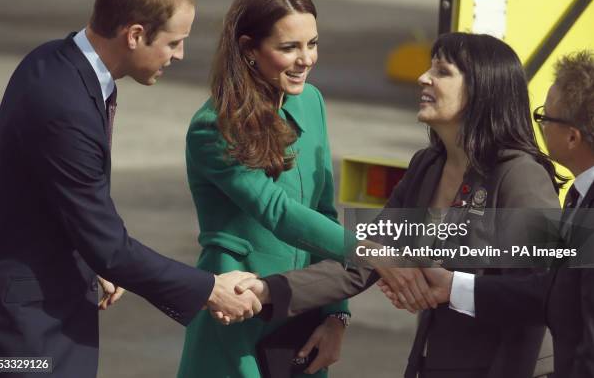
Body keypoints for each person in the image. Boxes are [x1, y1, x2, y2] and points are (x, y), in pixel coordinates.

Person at [0, 0, 260, 378]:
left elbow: (63, 200)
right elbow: (109, 246)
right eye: (174, 42)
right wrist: (210, 289)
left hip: (41, 307)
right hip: (29, 335)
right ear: (134, 35)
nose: (180, 54)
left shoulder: (50, 61)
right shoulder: (66, 107)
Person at [239, 33, 564, 377]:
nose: (424, 77)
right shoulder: (427, 166)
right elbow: (365, 257)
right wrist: (266, 290)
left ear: (482, 90)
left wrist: (452, 289)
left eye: (442, 71)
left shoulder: (520, 175)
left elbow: (544, 294)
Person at [177, 0, 351, 378]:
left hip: (303, 308)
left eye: (312, 43)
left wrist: (336, 315)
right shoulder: (213, 127)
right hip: (238, 308)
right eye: (288, 47)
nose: (305, 59)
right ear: (248, 49)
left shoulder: (312, 101)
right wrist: (372, 253)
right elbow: (278, 212)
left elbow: (323, 212)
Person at [383, 50, 594, 377]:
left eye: (545, 118)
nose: (538, 125)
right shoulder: (582, 196)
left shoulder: (522, 177)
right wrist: (451, 286)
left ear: (572, 136)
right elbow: (544, 291)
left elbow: (547, 317)